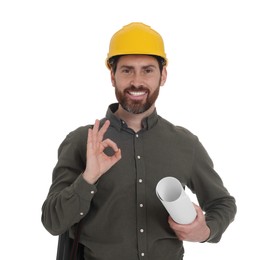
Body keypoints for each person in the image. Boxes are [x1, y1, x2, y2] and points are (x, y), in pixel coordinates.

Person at [41, 22, 237, 260]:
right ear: (112, 76)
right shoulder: (83, 141)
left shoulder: (186, 144)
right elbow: (52, 222)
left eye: (147, 70)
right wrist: (88, 178)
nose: (136, 81)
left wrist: (206, 230)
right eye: (126, 70)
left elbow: (222, 202)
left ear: (162, 75)